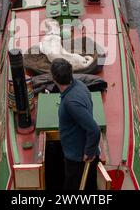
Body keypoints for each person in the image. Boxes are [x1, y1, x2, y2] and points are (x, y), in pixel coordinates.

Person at [50, 58, 101, 190]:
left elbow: (94, 130)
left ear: (54, 78)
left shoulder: (71, 103)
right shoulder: (79, 85)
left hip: (78, 158)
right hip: (79, 151)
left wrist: (89, 153)